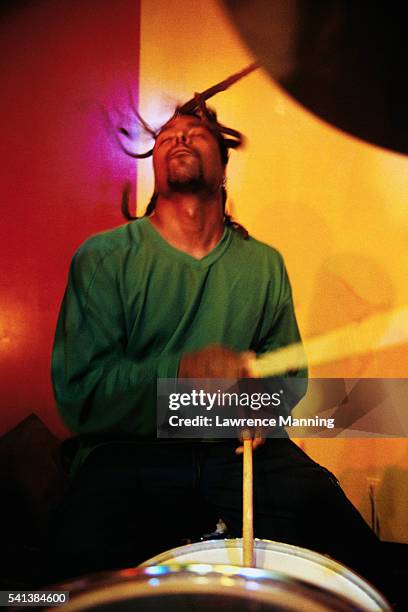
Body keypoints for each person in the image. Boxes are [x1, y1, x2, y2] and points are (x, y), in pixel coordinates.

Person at [50, 103, 382, 588]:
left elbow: (290, 380)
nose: (179, 138)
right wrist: (181, 371)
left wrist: (259, 404)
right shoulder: (103, 258)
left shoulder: (264, 264)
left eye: (196, 132)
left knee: (357, 560)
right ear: (154, 168)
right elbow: (82, 398)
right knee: (65, 586)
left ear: (224, 166)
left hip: (237, 450)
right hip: (129, 452)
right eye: (167, 135)